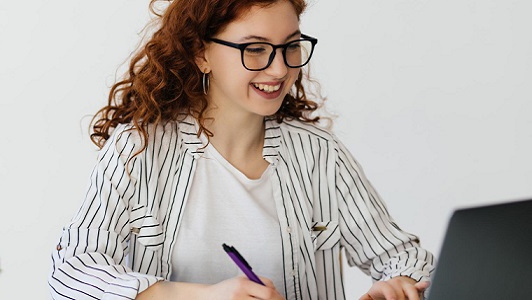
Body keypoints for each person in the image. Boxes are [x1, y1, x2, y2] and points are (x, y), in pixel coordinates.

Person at [48, 0, 435, 299]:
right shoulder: (139, 151)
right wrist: (203, 296)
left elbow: (409, 261)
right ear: (201, 53)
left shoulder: (319, 156)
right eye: (255, 49)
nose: (281, 69)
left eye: (291, 47)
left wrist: (397, 285)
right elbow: (72, 271)